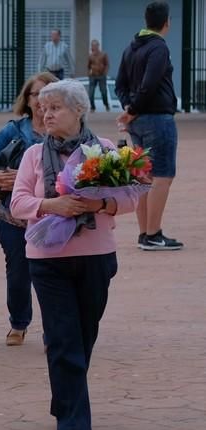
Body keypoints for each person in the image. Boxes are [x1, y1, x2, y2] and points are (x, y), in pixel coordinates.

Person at [10, 80, 139, 430]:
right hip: (47, 260)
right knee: (63, 336)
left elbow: (131, 199)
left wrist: (100, 205)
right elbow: (17, 202)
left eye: (55, 108)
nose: (46, 114)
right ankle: (72, 421)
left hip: (96, 256)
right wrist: (52, 205)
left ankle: (64, 399)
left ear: (78, 111)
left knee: (84, 336)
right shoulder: (34, 155)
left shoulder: (105, 150)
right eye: (43, 108)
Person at [0, 71, 58, 346]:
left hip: (55, 220)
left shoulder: (67, 130)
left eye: (47, 95)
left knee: (52, 277)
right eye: (36, 95)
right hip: (14, 219)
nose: (41, 101)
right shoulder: (14, 130)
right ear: (27, 99)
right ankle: (19, 323)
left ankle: (53, 329)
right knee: (19, 274)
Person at [116, 1, 183, 250]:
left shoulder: (131, 48)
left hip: (139, 122)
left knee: (144, 177)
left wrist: (129, 110)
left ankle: (145, 233)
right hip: (157, 119)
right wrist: (133, 110)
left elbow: (120, 84)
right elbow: (151, 82)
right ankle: (154, 234)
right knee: (162, 176)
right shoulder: (158, 48)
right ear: (167, 22)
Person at [87, 39, 110, 112]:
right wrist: (89, 73)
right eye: (92, 46)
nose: (93, 47)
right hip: (93, 76)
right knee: (91, 93)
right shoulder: (90, 56)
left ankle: (106, 104)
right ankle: (92, 107)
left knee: (103, 91)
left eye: (95, 45)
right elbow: (88, 66)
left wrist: (105, 73)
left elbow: (107, 64)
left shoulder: (103, 54)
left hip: (101, 75)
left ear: (98, 46)